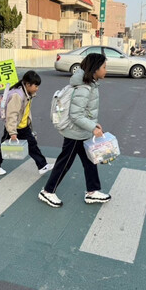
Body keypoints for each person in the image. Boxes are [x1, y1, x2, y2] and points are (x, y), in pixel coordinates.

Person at [38, 53, 111, 208]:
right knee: (64, 163)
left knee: (90, 160)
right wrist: (92, 127)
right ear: (95, 69)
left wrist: (94, 125)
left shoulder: (90, 85)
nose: (106, 70)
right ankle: (47, 191)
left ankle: (93, 191)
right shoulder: (84, 88)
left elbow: (86, 112)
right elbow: (76, 115)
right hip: (75, 133)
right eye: (104, 67)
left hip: (82, 132)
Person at [0, 70, 53, 176]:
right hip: (15, 126)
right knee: (3, 146)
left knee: (32, 145)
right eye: (35, 86)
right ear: (28, 84)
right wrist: (12, 132)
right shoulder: (17, 96)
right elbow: (12, 114)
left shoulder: (27, 92)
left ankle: (42, 165)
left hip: (23, 125)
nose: (37, 88)